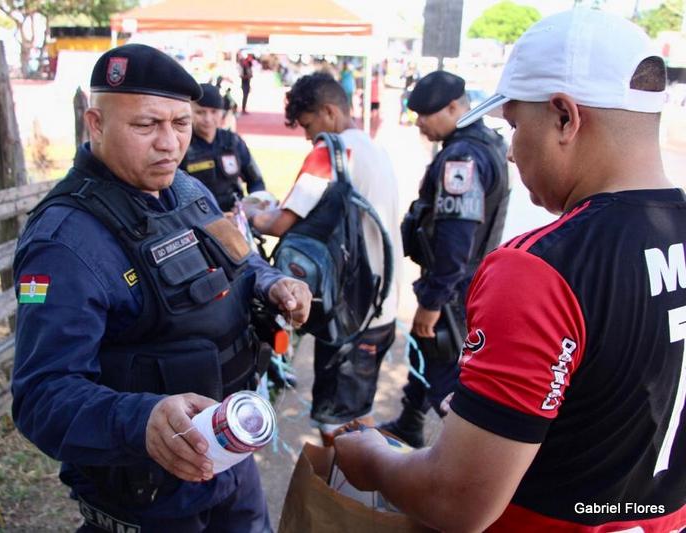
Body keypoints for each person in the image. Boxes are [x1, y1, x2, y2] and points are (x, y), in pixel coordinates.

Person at [334, 9, 686, 531]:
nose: (513, 153)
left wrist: (373, 461)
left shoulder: (538, 268)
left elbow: (455, 501)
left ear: (564, 118)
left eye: (516, 125)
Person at [11, 44, 311, 533]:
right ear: (96, 124)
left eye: (181, 123)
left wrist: (274, 282)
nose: (169, 144)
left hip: (229, 455)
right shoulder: (64, 243)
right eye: (146, 125)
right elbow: (41, 396)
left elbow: (242, 259)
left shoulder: (187, 191)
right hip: (150, 494)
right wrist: (143, 420)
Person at [245, 72, 403, 445]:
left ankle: (350, 481)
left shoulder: (331, 151)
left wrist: (249, 214)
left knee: (338, 426)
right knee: (357, 410)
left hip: (352, 312)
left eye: (307, 124)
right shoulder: (374, 147)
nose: (307, 136)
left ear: (329, 112)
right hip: (381, 304)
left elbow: (280, 222)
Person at [379, 69, 509, 448]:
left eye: (425, 114)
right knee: (426, 352)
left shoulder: (462, 157)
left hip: (454, 287)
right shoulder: (484, 143)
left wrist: (433, 301)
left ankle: (467, 457)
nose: (419, 123)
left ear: (453, 107)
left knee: (445, 374)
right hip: (467, 280)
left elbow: (455, 238)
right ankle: (409, 422)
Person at [179, 83, 265, 212]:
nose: (208, 119)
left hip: (235, 213)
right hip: (199, 217)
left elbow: (256, 181)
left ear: (222, 112)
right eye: (200, 112)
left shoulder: (233, 141)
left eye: (214, 112)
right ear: (189, 112)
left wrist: (252, 204)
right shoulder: (181, 144)